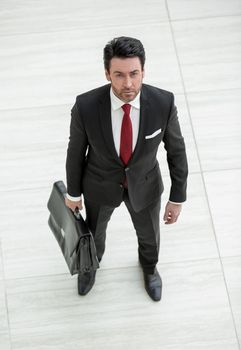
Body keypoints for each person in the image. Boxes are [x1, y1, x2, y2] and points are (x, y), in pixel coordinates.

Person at [65, 36, 188, 302]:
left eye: (134, 73)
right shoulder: (85, 106)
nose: (128, 83)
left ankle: (149, 268)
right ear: (107, 73)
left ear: (144, 71)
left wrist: (177, 197)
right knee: (94, 234)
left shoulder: (163, 103)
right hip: (98, 185)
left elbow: (176, 151)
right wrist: (73, 195)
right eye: (119, 75)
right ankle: (90, 266)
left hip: (145, 185)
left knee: (149, 236)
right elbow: (75, 153)